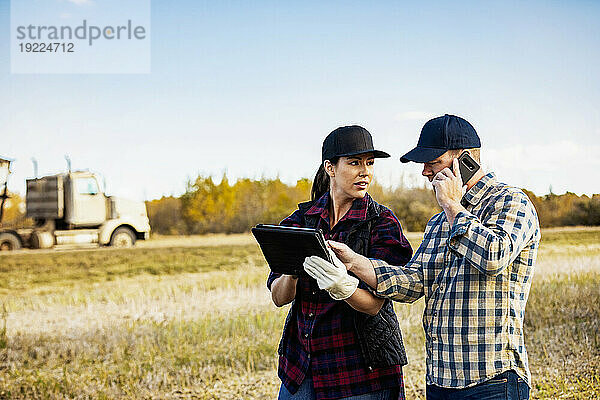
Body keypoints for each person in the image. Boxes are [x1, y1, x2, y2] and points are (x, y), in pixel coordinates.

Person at [306, 115, 540, 400]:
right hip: (441, 381)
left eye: (434, 163)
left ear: (464, 161)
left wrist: (453, 206)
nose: (426, 172)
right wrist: (354, 262)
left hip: (493, 380)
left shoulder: (510, 201)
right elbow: (413, 281)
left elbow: (494, 256)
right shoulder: (439, 221)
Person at [268, 125, 413, 400]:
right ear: (330, 168)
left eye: (369, 163)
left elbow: (374, 306)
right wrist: (294, 270)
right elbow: (278, 297)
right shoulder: (300, 222)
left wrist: (343, 286)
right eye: (354, 162)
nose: (365, 171)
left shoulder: (382, 223)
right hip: (302, 369)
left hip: (361, 375)